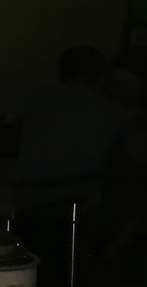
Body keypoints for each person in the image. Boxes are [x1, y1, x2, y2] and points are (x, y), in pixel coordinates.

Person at [14, 46, 127, 184]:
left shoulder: (37, 99)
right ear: (99, 76)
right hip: (77, 190)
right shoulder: (105, 108)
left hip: (30, 187)